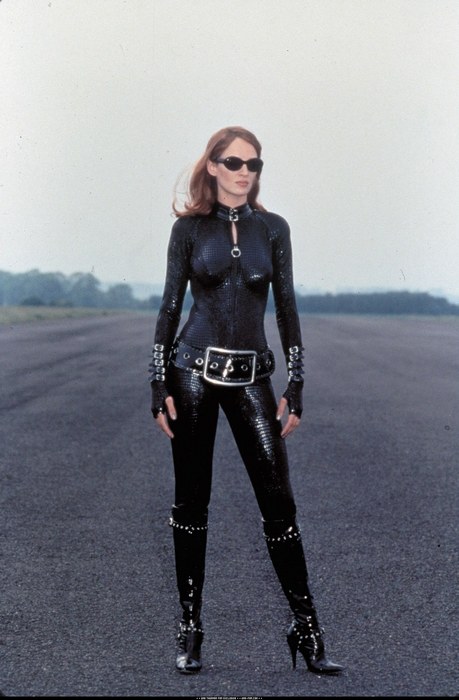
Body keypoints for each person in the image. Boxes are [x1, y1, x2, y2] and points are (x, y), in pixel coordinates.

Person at [148, 126, 344, 676]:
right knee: (191, 503)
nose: (244, 172)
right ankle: (190, 629)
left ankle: (307, 628)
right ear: (212, 166)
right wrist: (157, 384)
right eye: (233, 162)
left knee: (279, 503)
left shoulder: (273, 229)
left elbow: (287, 308)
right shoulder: (188, 230)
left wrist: (296, 385)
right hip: (191, 373)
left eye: (253, 164)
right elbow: (169, 308)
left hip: (253, 376)